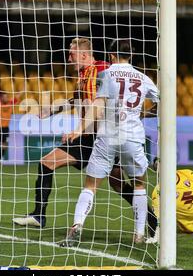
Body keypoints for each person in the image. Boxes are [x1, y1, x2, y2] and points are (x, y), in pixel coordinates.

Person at [12, 38, 154, 229]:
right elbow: (77, 98)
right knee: (47, 162)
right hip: (87, 138)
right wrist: (53, 110)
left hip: (104, 138)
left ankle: (153, 221)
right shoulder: (83, 75)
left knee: (118, 183)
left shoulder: (103, 69)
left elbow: (108, 100)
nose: (69, 59)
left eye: (72, 54)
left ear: (84, 55)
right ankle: (38, 216)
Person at [59, 39, 159, 247]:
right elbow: (162, 101)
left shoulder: (106, 74)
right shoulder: (143, 78)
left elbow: (97, 104)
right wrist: (145, 115)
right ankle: (139, 234)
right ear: (130, 56)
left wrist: (79, 129)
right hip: (132, 137)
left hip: (107, 136)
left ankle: (76, 227)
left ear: (112, 55)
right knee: (138, 184)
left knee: (91, 185)